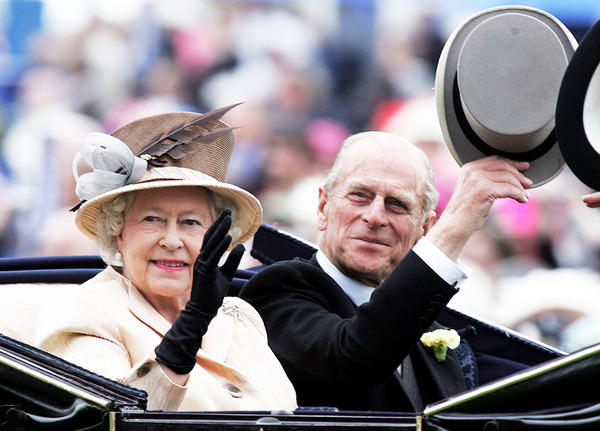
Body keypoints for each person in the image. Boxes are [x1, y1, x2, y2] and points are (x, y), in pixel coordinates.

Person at [240, 131, 532, 412]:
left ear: (424, 229)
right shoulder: (275, 290)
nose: (375, 216)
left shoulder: (432, 332)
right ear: (323, 207)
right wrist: (457, 223)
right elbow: (353, 356)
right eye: (359, 195)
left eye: (397, 204)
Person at [34, 105, 297, 411]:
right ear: (117, 231)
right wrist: (192, 323)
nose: (172, 241)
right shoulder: (83, 310)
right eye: (151, 219)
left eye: (190, 222)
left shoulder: (240, 315)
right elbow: (114, 418)